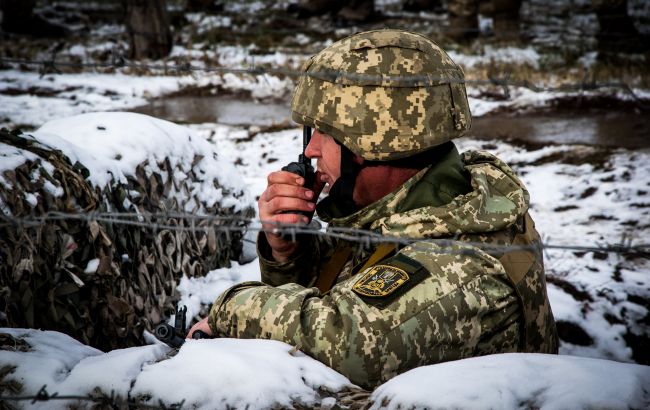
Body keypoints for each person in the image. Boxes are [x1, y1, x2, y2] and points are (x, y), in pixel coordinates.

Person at [189, 29, 558, 389]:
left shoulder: (460, 262)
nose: (311, 150)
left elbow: (346, 342)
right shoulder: (405, 209)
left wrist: (229, 310)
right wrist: (288, 250)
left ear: (375, 146)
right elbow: (339, 292)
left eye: (323, 133)